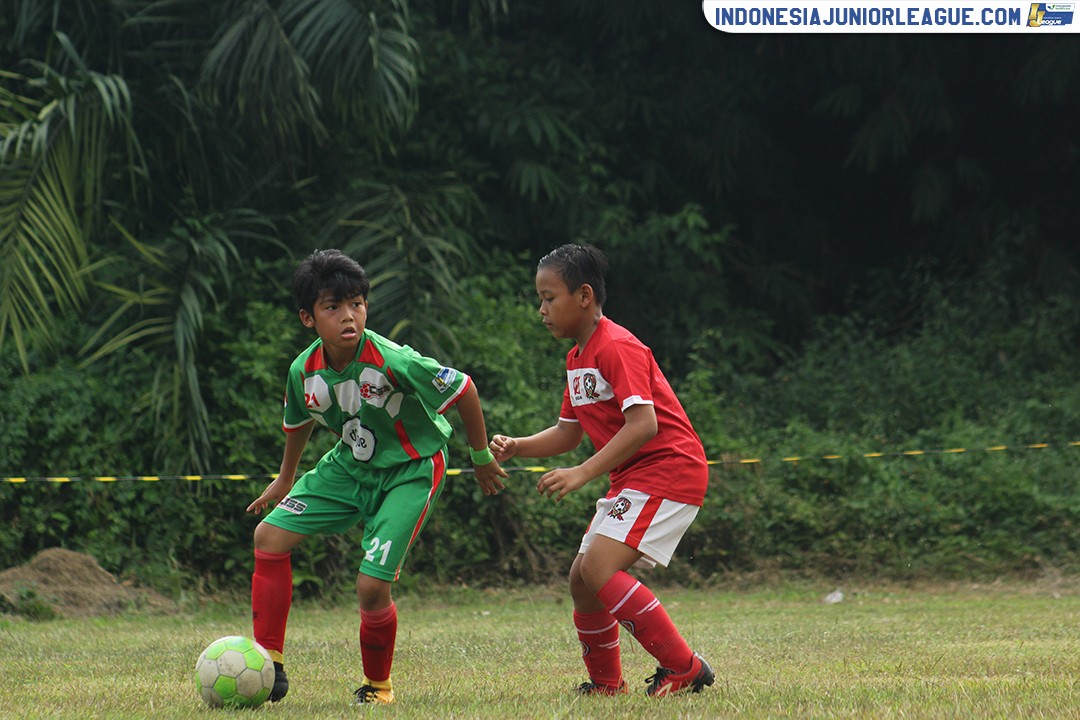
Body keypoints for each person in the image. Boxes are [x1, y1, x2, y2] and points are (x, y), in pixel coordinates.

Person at [246, 248, 507, 705]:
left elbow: (464, 388)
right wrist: (286, 478)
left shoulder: (393, 360)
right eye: (334, 307)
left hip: (411, 470)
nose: (349, 316)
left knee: (371, 587)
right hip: (349, 467)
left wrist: (481, 455)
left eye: (357, 304)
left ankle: (378, 687)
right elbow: (298, 422)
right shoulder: (302, 372)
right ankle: (269, 664)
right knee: (268, 537)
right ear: (309, 318)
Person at [489, 243, 714, 698]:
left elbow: (644, 425)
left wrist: (580, 474)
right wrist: (519, 446)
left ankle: (684, 668)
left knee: (598, 568)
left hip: (668, 468)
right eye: (540, 299)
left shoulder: (617, 346)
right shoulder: (577, 358)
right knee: (582, 579)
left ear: (584, 296)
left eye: (549, 297)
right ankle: (607, 684)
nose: (542, 309)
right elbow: (567, 432)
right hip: (635, 477)